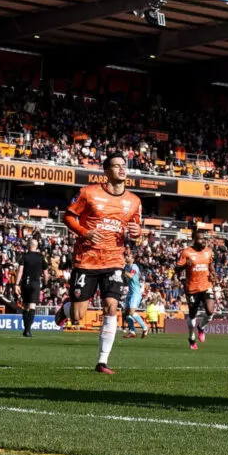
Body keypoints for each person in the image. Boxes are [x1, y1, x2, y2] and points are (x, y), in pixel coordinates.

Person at [57, 153, 143, 373]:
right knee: (77, 315)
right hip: (87, 260)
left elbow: (136, 232)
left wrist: (137, 232)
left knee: (111, 306)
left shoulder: (134, 201)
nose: (122, 169)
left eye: (124, 166)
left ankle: (102, 361)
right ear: (106, 172)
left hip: (115, 259)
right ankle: (64, 311)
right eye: (116, 166)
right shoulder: (89, 193)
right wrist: (85, 233)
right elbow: (67, 217)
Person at [177, 231, 214, 349]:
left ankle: (201, 327)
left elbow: (210, 265)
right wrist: (184, 265)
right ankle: (192, 338)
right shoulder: (187, 252)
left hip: (206, 286)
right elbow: (176, 269)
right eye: (200, 239)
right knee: (192, 315)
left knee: (210, 311)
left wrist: (213, 273)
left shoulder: (208, 251)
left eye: (204, 239)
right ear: (194, 239)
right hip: (192, 289)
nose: (203, 241)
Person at [12, 237, 47, 337]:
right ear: (37, 246)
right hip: (35, 284)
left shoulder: (24, 256)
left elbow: (20, 271)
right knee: (32, 306)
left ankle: (26, 330)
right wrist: (45, 284)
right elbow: (46, 274)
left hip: (25, 283)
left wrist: (16, 284)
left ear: (28, 245)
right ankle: (28, 330)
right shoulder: (41, 257)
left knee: (26, 307)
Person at [122, 250, 149, 339]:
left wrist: (122, 271)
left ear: (132, 259)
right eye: (126, 256)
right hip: (130, 292)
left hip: (136, 292)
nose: (126, 257)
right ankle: (132, 331)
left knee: (132, 312)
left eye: (128, 256)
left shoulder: (134, 266)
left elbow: (131, 276)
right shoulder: (126, 267)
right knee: (126, 313)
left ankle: (145, 327)